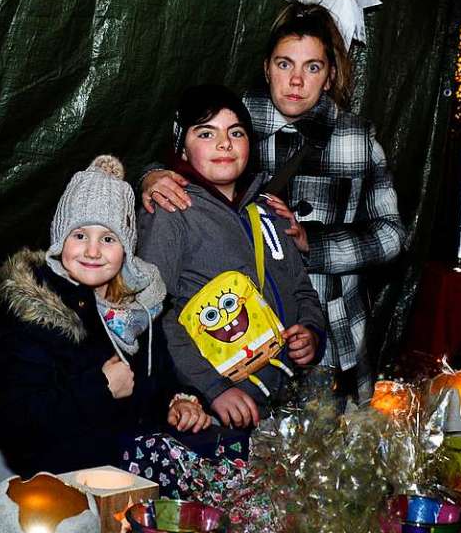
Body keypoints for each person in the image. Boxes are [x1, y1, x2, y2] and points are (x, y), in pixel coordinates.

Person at [142, 3, 405, 400]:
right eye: (285, 65)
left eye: (312, 68)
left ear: (330, 75)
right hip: (238, 342)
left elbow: (392, 234)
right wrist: (151, 175)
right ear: (267, 68)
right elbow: (188, 152)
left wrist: (313, 244)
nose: (296, 80)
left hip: (329, 327)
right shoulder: (237, 118)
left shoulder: (358, 141)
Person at [0, 155, 211, 476]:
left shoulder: (139, 308)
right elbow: (18, 424)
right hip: (63, 488)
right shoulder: (34, 314)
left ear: (126, 248)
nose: (93, 251)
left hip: (131, 483)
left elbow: (155, 382)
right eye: (80, 235)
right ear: (59, 239)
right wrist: (100, 386)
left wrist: (178, 401)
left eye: (108, 239)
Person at [137, 85, 326, 428]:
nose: (224, 143)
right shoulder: (171, 210)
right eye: (206, 133)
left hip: (283, 411)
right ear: (182, 147)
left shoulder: (269, 210)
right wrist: (213, 388)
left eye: (235, 132)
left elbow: (302, 289)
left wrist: (311, 332)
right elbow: (150, 315)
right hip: (211, 414)